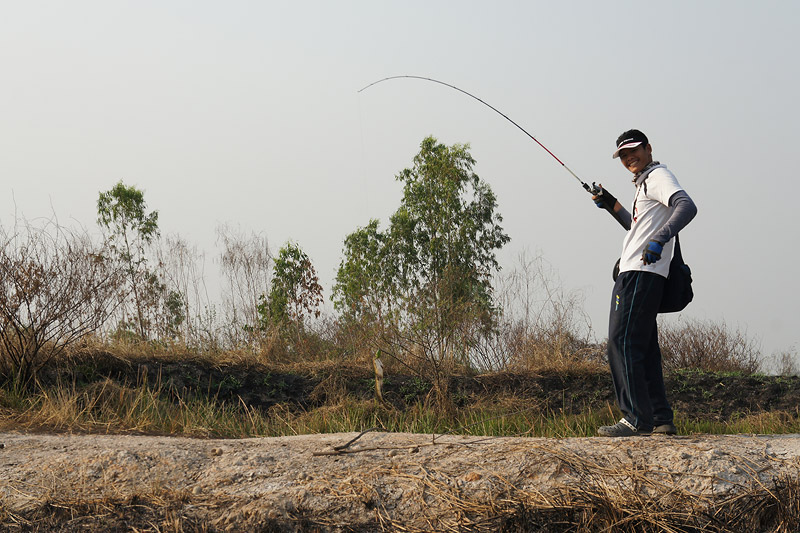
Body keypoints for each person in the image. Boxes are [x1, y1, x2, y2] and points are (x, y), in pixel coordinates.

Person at [592, 129, 697, 437]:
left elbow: (687, 205)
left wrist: (660, 240)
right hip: (641, 272)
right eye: (623, 155)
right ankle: (661, 418)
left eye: (634, 151)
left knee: (620, 343)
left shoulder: (658, 177)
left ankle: (636, 418)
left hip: (639, 274)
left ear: (648, 148)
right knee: (644, 348)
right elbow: (637, 228)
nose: (629, 158)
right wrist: (611, 204)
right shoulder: (645, 185)